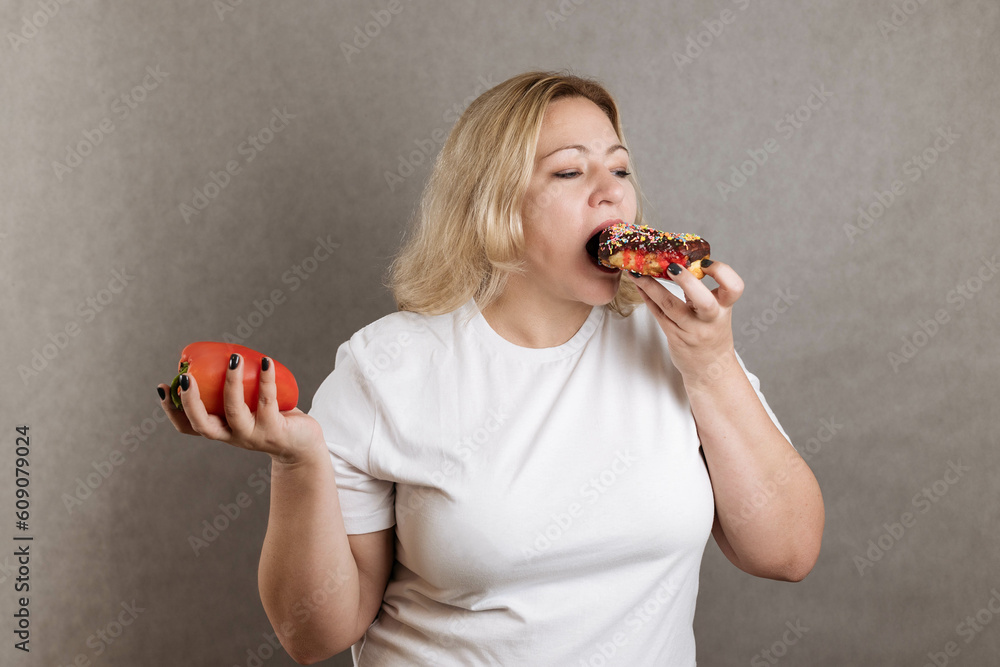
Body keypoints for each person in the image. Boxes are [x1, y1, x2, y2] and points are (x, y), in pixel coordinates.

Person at [158, 71, 824, 666]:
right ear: (494, 204)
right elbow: (316, 635)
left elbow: (788, 550)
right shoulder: (386, 368)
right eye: (569, 172)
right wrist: (299, 463)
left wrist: (712, 363)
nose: (610, 196)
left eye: (619, 170)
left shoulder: (679, 344)